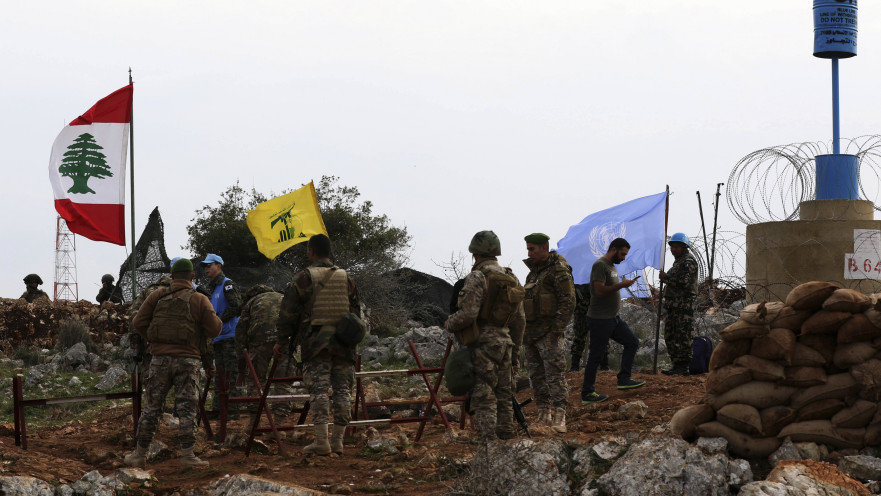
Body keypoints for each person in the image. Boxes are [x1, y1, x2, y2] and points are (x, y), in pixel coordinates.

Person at [125, 258, 221, 469]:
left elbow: (138, 322)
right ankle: (188, 456)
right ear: (192, 277)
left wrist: (153, 340)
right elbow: (214, 330)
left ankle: (139, 455)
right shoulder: (200, 299)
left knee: (152, 408)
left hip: (159, 360)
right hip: (188, 361)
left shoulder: (157, 296)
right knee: (187, 409)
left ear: (172, 275)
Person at [273, 234, 361, 456]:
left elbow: (288, 314)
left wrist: (282, 341)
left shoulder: (303, 277)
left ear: (311, 251)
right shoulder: (347, 277)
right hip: (344, 343)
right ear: (329, 252)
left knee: (319, 391)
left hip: (316, 344)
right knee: (343, 391)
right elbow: (355, 313)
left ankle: (322, 441)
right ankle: (338, 441)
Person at [445, 230, 525, 443]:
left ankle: (488, 446)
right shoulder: (511, 278)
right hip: (505, 342)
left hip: (482, 344)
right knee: (505, 395)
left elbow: (468, 314)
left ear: (475, 253)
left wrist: (449, 323)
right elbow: (519, 320)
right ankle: (506, 442)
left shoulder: (477, 276)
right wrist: (515, 352)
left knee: (484, 396)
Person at [580, 238, 645, 405]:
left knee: (632, 342)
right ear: (614, 249)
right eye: (622, 254)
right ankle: (587, 393)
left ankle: (624, 379)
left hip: (613, 318)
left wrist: (622, 284)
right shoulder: (600, 265)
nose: (624, 258)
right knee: (596, 356)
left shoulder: (612, 266)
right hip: (600, 319)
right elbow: (599, 291)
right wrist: (622, 285)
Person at [522, 233, 574, 433]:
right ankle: (543, 412)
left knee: (554, 374)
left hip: (549, 333)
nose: (529, 253)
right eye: (528, 249)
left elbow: (568, 300)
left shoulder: (558, 270)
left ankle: (560, 414)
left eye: (532, 249)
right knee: (536, 376)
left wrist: (557, 330)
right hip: (531, 334)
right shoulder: (533, 274)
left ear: (544, 248)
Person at [236, 284, 292, 416]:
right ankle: (280, 418)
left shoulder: (251, 303)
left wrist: (241, 369)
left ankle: (254, 418)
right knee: (283, 379)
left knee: (255, 379)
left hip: (259, 341)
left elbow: (240, 335)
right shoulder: (282, 297)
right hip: (285, 340)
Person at [198, 253, 242, 416]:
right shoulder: (212, 288)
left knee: (231, 374)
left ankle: (232, 409)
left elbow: (236, 306)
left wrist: (218, 321)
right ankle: (219, 409)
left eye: (209, 265)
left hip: (230, 337)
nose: (206, 269)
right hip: (218, 338)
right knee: (220, 375)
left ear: (219, 266)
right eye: (205, 266)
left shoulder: (227, 284)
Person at [659, 233, 698, 376]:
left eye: (677, 247)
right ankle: (676, 365)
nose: (673, 249)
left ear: (684, 247)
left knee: (682, 336)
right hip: (673, 306)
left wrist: (666, 278)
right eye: (672, 247)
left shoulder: (688, 261)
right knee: (671, 335)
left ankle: (683, 366)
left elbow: (683, 282)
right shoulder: (678, 262)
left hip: (683, 306)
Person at [570, 284, 609, 372]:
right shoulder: (577, 280)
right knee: (579, 338)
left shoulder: (599, 279)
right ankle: (574, 366)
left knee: (601, 337)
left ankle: (604, 365)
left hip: (597, 308)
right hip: (582, 310)